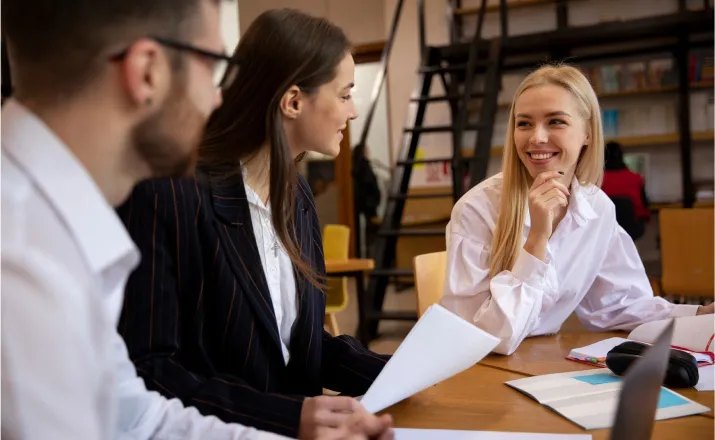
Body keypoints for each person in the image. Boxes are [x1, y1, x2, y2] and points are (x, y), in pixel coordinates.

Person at [1, 1, 392, 439]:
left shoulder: (59, 224)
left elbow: (137, 413)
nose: (219, 96)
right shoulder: (22, 257)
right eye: (213, 66)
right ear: (148, 71)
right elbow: (150, 374)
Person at [115, 9, 392, 440]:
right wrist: (285, 417)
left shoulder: (297, 198)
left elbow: (298, 345)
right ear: (294, 101)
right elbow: (151, 369)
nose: (353, 111)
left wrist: (398, 372)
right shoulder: (169, 195)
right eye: (345, 94)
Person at [439, 64, 714, 356]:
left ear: (587, 133)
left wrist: (700, 313)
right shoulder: (476, 209)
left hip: (535, 362)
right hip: (476, 369)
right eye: (524, 123)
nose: (537, 138)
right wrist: (537, 242)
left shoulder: (597, 207)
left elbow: (618, 305)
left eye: (555, 121)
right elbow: (480, 337)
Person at [601, 141, 650, 240]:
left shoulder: (596, 181)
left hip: (603, 230)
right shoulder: (636, 179)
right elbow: (644, 208)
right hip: (631, 229)